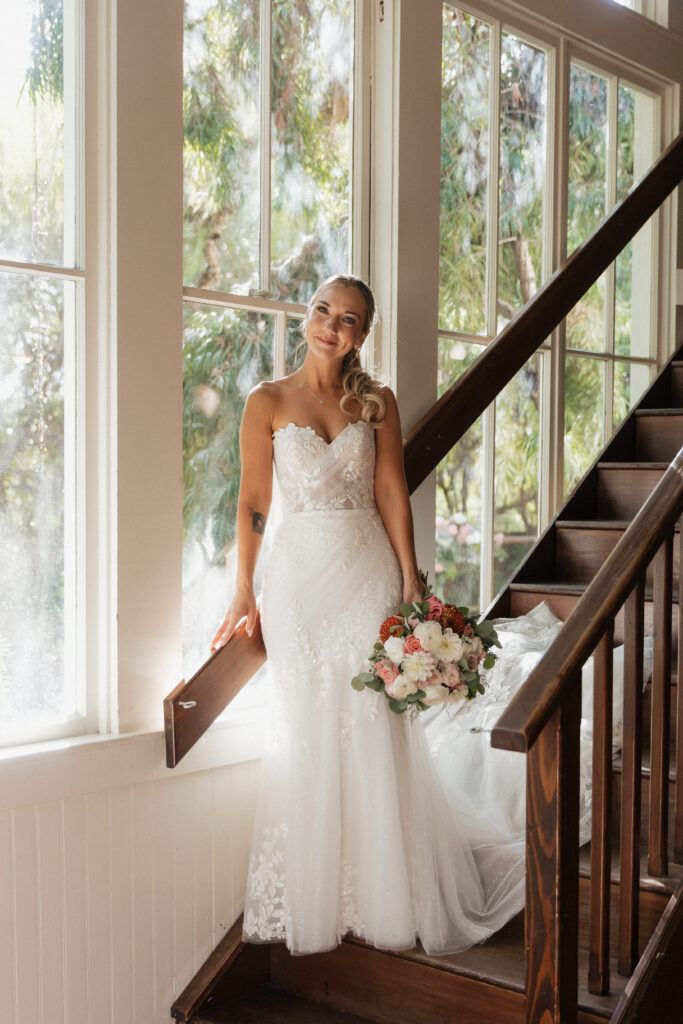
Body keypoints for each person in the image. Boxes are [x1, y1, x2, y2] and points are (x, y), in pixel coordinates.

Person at [210, 274, 636, 957]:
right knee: (310, 722)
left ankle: (387, 893)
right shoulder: (267, 400)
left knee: (372, 720)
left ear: (362, 334)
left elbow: (390, 489)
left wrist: (409, 574)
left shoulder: (374, 401)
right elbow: (253, 501)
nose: (330, 326)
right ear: (307, 315)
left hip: (365, 574)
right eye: (322, 311)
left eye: (348, 319)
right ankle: (321, 894)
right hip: (296, 586)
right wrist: (242, 589)